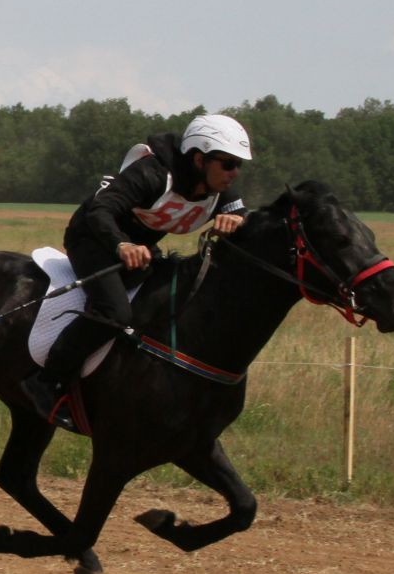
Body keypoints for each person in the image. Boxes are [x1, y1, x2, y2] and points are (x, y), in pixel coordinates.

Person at [20, 112, 254, 430]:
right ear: (200, 159)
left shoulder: (216, 189)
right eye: (228, 164)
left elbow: (239, 211)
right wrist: (122, 246)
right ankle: (46, 381)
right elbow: (101, 211)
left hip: (140, 248)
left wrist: (238, 220)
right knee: (115, 310)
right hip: (93, 238)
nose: (234, 173)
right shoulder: (153, 174)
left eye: (238, 165)